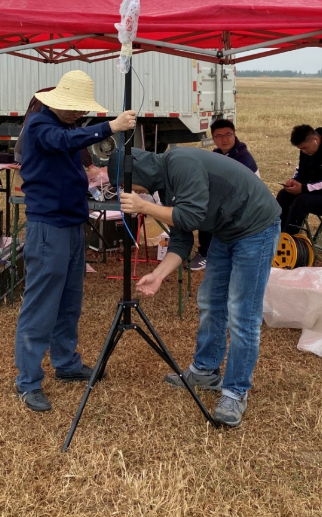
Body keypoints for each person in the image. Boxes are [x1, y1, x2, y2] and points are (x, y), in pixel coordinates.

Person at [108, 147, 281, 428]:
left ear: (136, 172)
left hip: (255, 227)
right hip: (226, 230)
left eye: (128, 185)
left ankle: (235, 392)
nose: (134, 192)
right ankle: (205, 371)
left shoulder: (180, 163)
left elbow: (190, 216)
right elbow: (181, 239)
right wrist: (159, 274)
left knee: (242, 313)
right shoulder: (165, 186)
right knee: (211, 302)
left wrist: (143, 207)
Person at [14, 70, 136, 413]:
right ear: (62, 102)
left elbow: (72, 146)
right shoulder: (40, 124)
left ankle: (66, 362)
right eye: (78, 108)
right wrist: (109, 127)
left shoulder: (65, 124)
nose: (81, 114)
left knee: (69, 300)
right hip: (48, 226)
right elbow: (62, 142)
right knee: (41, 304)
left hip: (71, 223)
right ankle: (28, 381)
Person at [192, 118, 260, 270]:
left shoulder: (242, 157)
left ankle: (205, 253)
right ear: (213, 138)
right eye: (219, 136)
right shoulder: (217, 154)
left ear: (234, 135)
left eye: (228, 135)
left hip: (249, 202)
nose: (224, 140)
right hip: (232, 199)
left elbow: (237, 188)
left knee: (207, 211)